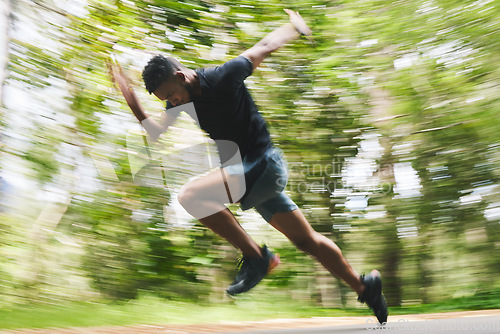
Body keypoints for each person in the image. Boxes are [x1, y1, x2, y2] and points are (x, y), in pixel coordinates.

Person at [108, 9, 388, 324]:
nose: (172, 103)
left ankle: (257, 257)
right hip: (251, 178)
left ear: (181, 74)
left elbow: (263, 48)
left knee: (190, 196)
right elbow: (156, 133)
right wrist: (131, 99)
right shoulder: (179, 100)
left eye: (172, 95)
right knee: (307, 240)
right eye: (166, 100)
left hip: (264, 165)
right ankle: (366, 287)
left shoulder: (223, 76)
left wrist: (295, 27)